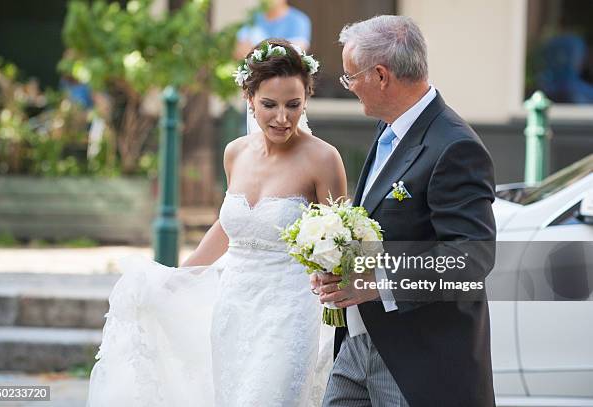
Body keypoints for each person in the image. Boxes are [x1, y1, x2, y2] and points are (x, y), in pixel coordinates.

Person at [86, 39, 346, 406]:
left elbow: (341, 237)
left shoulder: (323, 159)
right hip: (234, 307)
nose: (282, 117)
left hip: (291, 312)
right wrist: (179, 277)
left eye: (293, 105)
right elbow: (230, 228)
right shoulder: (235, 153)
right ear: (249, 97)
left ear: (306, 100)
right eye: (269, 105)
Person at [314, 16, 497, 406]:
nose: (348, 87)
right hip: (359, 344)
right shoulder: (389, 127)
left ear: (381, 75)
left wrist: (375, 281)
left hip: (418, 359)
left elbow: (471, 258)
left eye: (350, 77)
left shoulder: (454, 145)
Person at [234, 0, 311, 59]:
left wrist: (254, 51)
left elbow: (295, 54)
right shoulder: (254, 18)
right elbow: (240, 52)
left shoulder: (298, 20)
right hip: (255, 76)